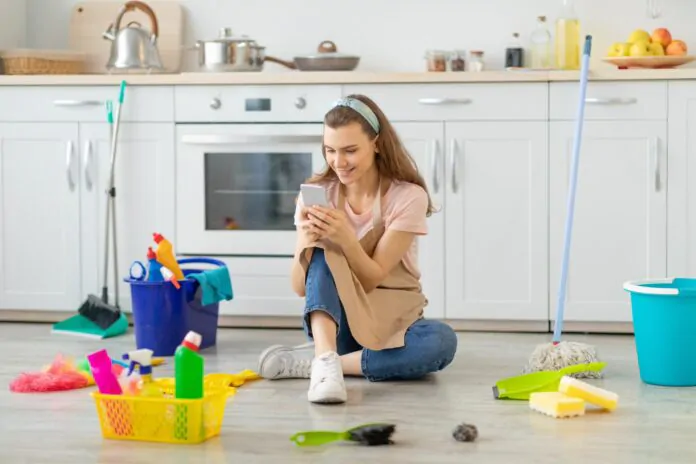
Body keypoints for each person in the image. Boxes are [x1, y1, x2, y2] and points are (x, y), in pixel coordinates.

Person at [257, 94, 458, 404]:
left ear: (376, 143)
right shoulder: (317, 193)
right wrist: (308, 242)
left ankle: (321, 364)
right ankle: (327, 359)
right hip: (338, 323)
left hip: (391, 321)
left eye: (350, 150)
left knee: (440, 342)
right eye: (330, 151)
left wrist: (346, 239)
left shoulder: (407, 197)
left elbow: (371, 278)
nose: (339, 162)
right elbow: (299, 286)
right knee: (324, 251)